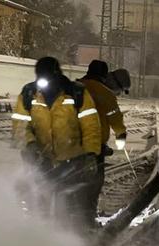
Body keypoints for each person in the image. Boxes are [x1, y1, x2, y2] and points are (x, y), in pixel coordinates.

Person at [12, 57, 102, 233]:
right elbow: (21, 125)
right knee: (39, 199)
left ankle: (73, 236)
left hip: (73, 159)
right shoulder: (29, 94)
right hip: (41, 159)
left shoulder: (76, 93)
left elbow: (91, 126)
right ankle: (41, 236)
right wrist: (29, 145)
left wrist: (92, 154)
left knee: (72, 202)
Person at [79, 60, 128, 219]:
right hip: (94, 146)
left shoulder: (75, 86)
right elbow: (115, 119)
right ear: (105, 76)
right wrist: (121, 135)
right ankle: (87, 216)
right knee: (94, 183)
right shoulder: (106, 94)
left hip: (68, 142)